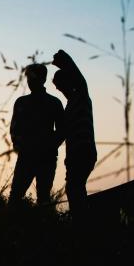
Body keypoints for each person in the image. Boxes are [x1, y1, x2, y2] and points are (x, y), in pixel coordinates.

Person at [8, 64, 65, 205]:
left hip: (44, 157)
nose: (29, 81)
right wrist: (19, 146)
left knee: (42, 198)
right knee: (16, 196)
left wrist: (50, 147)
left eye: (32, 77)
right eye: (28, 78)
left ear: (43, 79)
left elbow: (62, 130)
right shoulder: (23, 102)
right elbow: (14, 129)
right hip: (29, 156)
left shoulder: (53, 103)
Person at [51, 49, 97, 220]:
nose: (59, 90)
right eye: (58, 87)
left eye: (61, 86)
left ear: (68, 82)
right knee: (75, 189)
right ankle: (81, 222)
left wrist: (61, 59)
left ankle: (82, 224)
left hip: (83, 151)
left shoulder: (82, 96)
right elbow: (62, 134)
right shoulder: (69, 107)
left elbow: (79, 76)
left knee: (74, 188)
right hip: (74, 155)